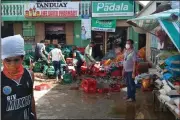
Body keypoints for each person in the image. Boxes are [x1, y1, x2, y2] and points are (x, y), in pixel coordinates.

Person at [1, 35, 37, 120]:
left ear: (22, 58)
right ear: (2, 60)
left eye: (16, 60)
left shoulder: (30, 74)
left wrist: (35, 116)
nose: (12, 64)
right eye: (8, 60)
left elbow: (31, 98)